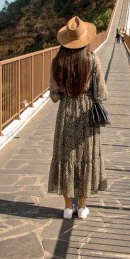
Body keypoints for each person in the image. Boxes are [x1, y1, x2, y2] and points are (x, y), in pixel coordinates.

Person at [48, 16, 108, 219]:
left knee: (66, 157)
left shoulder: (57, 62)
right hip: (86, 114)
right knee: (85, 157)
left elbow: (54, 96)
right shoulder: (92, 60)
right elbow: (102, 93)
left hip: (65, 112)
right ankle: (82, 207)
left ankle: (67, 207)